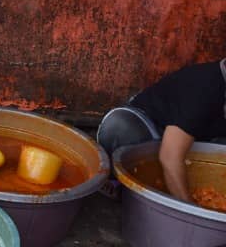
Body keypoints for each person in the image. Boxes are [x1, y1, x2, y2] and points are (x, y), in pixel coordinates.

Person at [96, 58, 226, 202]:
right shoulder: (206, 87)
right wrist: (191, 210)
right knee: (119, 125)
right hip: (150, 131)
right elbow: (170, 156)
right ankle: (115, 181)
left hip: (194, 143)